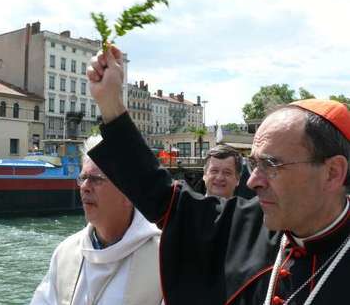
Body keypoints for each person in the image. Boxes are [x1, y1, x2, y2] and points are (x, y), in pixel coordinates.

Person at [86, 46, 349, 304]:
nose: (252, 180)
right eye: (253, 163)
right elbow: (161, 196)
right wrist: (110, 103)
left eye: (271, 164)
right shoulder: (248, 222)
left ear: (333, 173)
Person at [29, 134, 163, 305]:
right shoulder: (65, 253)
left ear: (129, 192)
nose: (84, 187)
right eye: (83, 178)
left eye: (96, 179)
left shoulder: (162, 256)